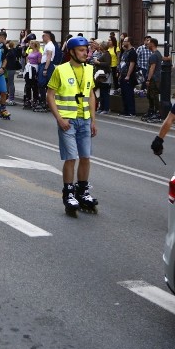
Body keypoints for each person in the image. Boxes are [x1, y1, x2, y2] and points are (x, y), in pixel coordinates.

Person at [46, 36, 98, 216]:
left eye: (87, 50)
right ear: (72, 52)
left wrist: (93, 119)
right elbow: (50, 95)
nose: (86, 53)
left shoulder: (89, 69)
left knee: (85, 157)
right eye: (82, 50)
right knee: (71, 158)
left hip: (84, 119)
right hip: (67, 121)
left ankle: (82, 191)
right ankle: (68, 193)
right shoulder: (60, 70)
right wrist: (59, 119)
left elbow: (91, 95)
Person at [143, 38, 163, 123]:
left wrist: (148, 79)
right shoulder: (157, 53)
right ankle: (151, 110)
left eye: (149, 42)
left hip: (154, 78)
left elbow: (152, 68)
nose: (147, 44)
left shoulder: (154, 55)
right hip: (156, 78)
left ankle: (157, 112)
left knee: (153, 96)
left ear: (153, 44)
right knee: (150, 95)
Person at [118, 37, 137, 117]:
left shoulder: (132, 52)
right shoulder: (125, 52)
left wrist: (128, 75)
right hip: (123, 74)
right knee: (124, 94)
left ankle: (131, 111)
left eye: (124, 41)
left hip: (128, 76)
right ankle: (125, 110)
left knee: (129, 93)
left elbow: (132, 64)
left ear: (128, 42)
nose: (123, 42)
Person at [93, 40, 112, 114]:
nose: (99, 46)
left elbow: (107, 64)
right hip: (101, 75)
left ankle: (106, 108)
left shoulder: (107, 54)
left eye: (100, 45)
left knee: (105, 92)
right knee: (101, 92)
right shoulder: (103, 54)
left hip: (105, 75)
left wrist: (98, 62)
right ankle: (101, 107)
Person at [23, 39, 42, 109]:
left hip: (34, 68)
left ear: (35, 45)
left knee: (34, 85)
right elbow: (27, 58)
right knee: (28, 84)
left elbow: (39, 62)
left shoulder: (39, 53)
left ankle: (35, 99)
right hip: (29, 67)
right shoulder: (30, 51)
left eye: (31, 44)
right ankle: (28, 99)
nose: (30, 45)